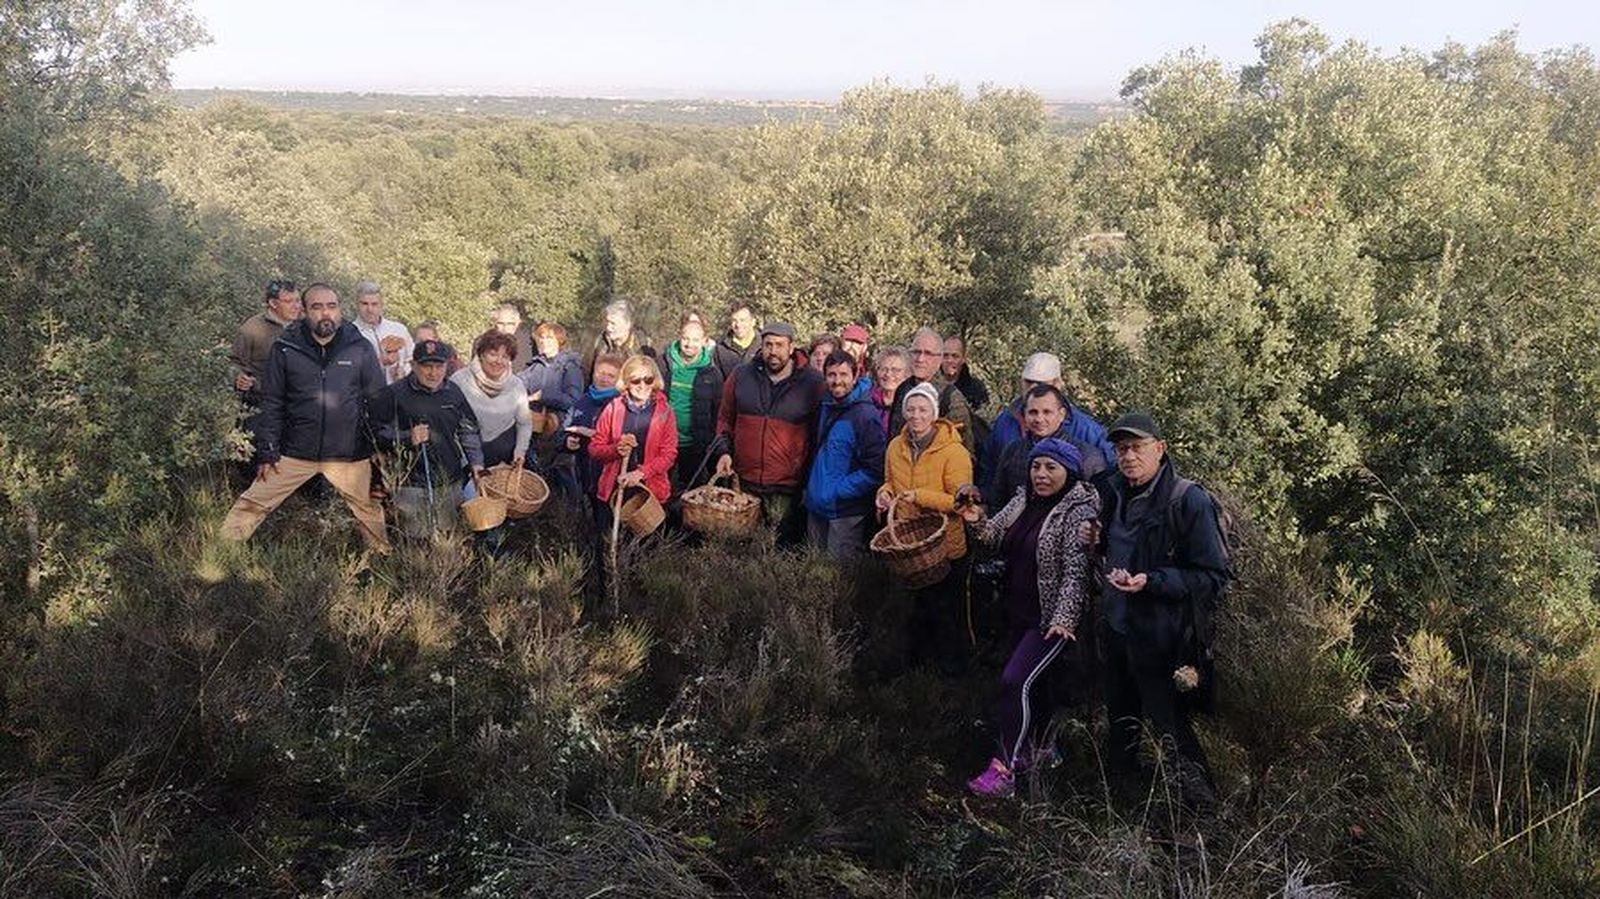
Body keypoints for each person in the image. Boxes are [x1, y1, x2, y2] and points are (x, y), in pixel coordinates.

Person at [1087, 412, 1228, 810]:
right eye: (1121, 449)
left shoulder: (1188, 500)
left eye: (1137, 448)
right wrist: (1096, 543)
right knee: (1121, 725)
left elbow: (1213, 576)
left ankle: (1203, 813)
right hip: (1117, 630)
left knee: (1170, 728)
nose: (1128, 457)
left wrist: (1152, 581)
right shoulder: (1113, 492)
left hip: (1162, 637)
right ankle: (1124, 807)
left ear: (1160, 449)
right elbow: (1117, 549)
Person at [960, 438, 1100, 797]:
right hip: (1017, 610)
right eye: (1037, 466)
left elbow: (1076, 572)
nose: (1041, 474)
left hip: (1049, 620)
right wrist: (977, 522)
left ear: (1069, 472)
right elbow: (992, 537)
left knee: (1014, 682)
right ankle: (1039, 749)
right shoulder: (1024, 499)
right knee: (1034, 686)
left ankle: (1004, 768)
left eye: (1051, 468)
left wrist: (1065, 619)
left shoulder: (1078, 511)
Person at [220, 283, 390, 552]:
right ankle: (220, 555)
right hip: (294, 452)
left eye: (331, 306)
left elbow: (378, 400)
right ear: (305, 311)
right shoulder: (286, 347)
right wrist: (267, 452)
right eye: (317, 307)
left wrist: (380, 448)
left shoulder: (359, 347)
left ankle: (381, 562)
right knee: (252, 503)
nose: (325, 314)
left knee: (368, 512)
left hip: (347, 454)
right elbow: (273, 401)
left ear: (340, 308)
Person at [876, 382, 975, 672]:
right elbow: (890, 482)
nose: (916, 415)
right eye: (911, 409)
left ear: (934, 414)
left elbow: (963, 503)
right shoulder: (896, 446)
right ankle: (918, 675)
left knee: (946, 614)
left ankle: (952, 675)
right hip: (911, 548)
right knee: (916, 613)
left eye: (923, 410)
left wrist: (920, 496)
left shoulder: (954, 452)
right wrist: (884, 494)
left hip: (944, 549)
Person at [712, 321, 826, 545]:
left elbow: (819, 432)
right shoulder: (741, 376)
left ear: (791, 348)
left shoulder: (811, 382)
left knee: (781, 550)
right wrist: (724, 451)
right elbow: (725, 418)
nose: (773, 351)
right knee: (741, 547)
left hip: (786, 486)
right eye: (768, 344)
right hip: (744, 482)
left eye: (779, 345)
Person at [369, 339, 485, 532]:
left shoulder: (453, 392)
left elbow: (468, 430)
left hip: (449, 479)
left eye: (439, 366)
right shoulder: (394, 393)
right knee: (417, 537)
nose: (433, 373)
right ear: (413, 365)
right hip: (411, 483)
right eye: (426, 366)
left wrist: (477, 464)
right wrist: (406, 438)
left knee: (448, 533)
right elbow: (376, 433)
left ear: (447, 365)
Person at [981, 352, 1115, 489]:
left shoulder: (1085, 428)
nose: (1033, 387)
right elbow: (990, 466)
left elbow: (1107, 471)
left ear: (1057, 383)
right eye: (1028, 381)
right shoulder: (1006, 420)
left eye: (1040, 383)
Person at [804, 350, 885, 561]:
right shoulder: (824, 405)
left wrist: (837, 491)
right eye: (831, 375)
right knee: (813, 573)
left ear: (855, 375)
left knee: (839, 579)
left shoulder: (865, 416)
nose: (837, 381)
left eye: (843, 375)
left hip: (845, 512)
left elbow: (876, 469)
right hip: (817, 506)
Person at [982, 385, 1108, 513]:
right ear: (1024, 414)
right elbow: (998, 501)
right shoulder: (1013, 450)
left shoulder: (1087, 456)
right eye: (1033, 412)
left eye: (1047, 412)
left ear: (1061, 415)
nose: (1039, 419)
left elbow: (1098, 507)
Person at [588, 355, 678, 531]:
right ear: (626, 382)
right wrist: (616, 450)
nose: (642, 386)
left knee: (646, 547)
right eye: (636, 380)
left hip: (650, 491)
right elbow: (595, 448)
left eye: (648, 379)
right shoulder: (613, 408)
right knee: (607, 541)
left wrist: (641, 473)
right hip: (614, 488)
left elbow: (669, 454)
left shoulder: (665, 412)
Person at [230, 279, 303, 465]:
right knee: (252, 460)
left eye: (297, 300)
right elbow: (234, 362)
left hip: (297, 402)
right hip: (260, 402)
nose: (296, 306)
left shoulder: (304, 326)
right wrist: (238, 378)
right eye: (289, 301)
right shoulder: (252, 328)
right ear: (273, 303)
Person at [657, 311, 724, 489]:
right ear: (679, 337)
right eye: (685, 338)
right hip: (663, 441)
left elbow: (717, 410)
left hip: (695, 443)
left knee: (690, 491)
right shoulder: (663, 364)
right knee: (660, 488)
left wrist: (711, 440)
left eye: (695, 340)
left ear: (704, 342)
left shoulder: (711, 373)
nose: (689, 344)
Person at [888, 326, 977, 457]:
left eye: (928, 353)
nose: (920, 359)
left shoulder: (951, 399)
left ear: (940, 358)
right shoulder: (903, 389)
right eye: (916, 352)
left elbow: (964, 454)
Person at [450, 329, 532, 471]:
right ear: (481, 355)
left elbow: (524, 423)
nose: (498, 361)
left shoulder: (516, 385)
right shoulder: (460, 380)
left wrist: (520, 452)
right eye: (493, 354)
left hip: (503, 461)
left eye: (505, 356)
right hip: (464, 456)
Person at [563, 351, 624, 504]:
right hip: (581, 467)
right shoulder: (583, 400)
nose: (604, 379)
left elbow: (622, 439)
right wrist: (567, 441)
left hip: (607, 471)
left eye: (611, 376)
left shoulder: (621, 404)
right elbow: (566, 427)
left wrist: (592, 434)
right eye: (600, 373)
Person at [519, 321, 584, 421]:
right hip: (535, 423)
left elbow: (573, 400)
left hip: (559, 426)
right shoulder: (536, 365)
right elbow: (518, 382)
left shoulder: (570, 367)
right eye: (541, 338)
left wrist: (544, 396)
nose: (544, 342)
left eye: (549, 338)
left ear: (559, 341)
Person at [352, 281, 413, 384]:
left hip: (398, 395)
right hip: (366, 396)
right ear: (356, 305)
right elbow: (345, 371)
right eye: (364, 304)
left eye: (374, 304)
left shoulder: (399, 329)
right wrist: (378, 363)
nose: (370, 309)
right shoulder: (349, 333)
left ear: (381, 305)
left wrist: (404, 371)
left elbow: (413, 359)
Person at [586, 298, 653, 379]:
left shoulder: (644, 346)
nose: (608, 327)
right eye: (607, 322)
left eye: (613, 324)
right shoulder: (599, 342)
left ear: (628, 324)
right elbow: (587, 372)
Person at [942, 334, 990, 413]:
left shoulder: (976, 388)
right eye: (945, 355)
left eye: (955, 356)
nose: (949, 360)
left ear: (963, 359)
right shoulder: (929, 384)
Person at [714, 300, 760, 376]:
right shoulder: (720, 349)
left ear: (753, 322)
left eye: (743, 320)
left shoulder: (764, 346)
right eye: (734, 320)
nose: (738, 325)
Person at [869, 346, 909, 435]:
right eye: (884, 369)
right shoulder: (867, 401)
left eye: (895, 370)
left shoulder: (911, 404)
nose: (888, 374)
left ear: (906, 374)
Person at [490, 303, 535, 371]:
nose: (505, 328)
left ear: (517, 323)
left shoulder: (529, 343)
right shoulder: (484, 342)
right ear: (495, 323)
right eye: (501, 323)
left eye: (510, 324)